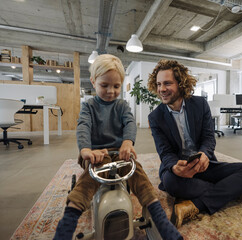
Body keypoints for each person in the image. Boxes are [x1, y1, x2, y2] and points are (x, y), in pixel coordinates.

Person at [54, 54, 183, 240]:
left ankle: (159, 217)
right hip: (96, 154)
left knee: (138, 172)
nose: (111, 91)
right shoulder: (88, 106)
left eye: (116, 86)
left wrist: (127, 142)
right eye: (104, 85)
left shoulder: (122, 105)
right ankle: (69, 220)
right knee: (91, 176)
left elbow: (130, 123)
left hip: (119, 152)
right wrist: (86, 150)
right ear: (93, 82)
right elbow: (83, 126)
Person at [147, 59, 242, 228]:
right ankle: (238, 190)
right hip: (179, 171)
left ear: (181, 83)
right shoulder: (155, 117)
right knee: (171, 183)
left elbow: (209, 138)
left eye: (167, 83)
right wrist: (175, 167)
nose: (161, 89)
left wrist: (204, 154)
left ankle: (195, 205)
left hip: (205, 164)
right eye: (159, 84)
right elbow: (165, 152)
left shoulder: (199, 104)